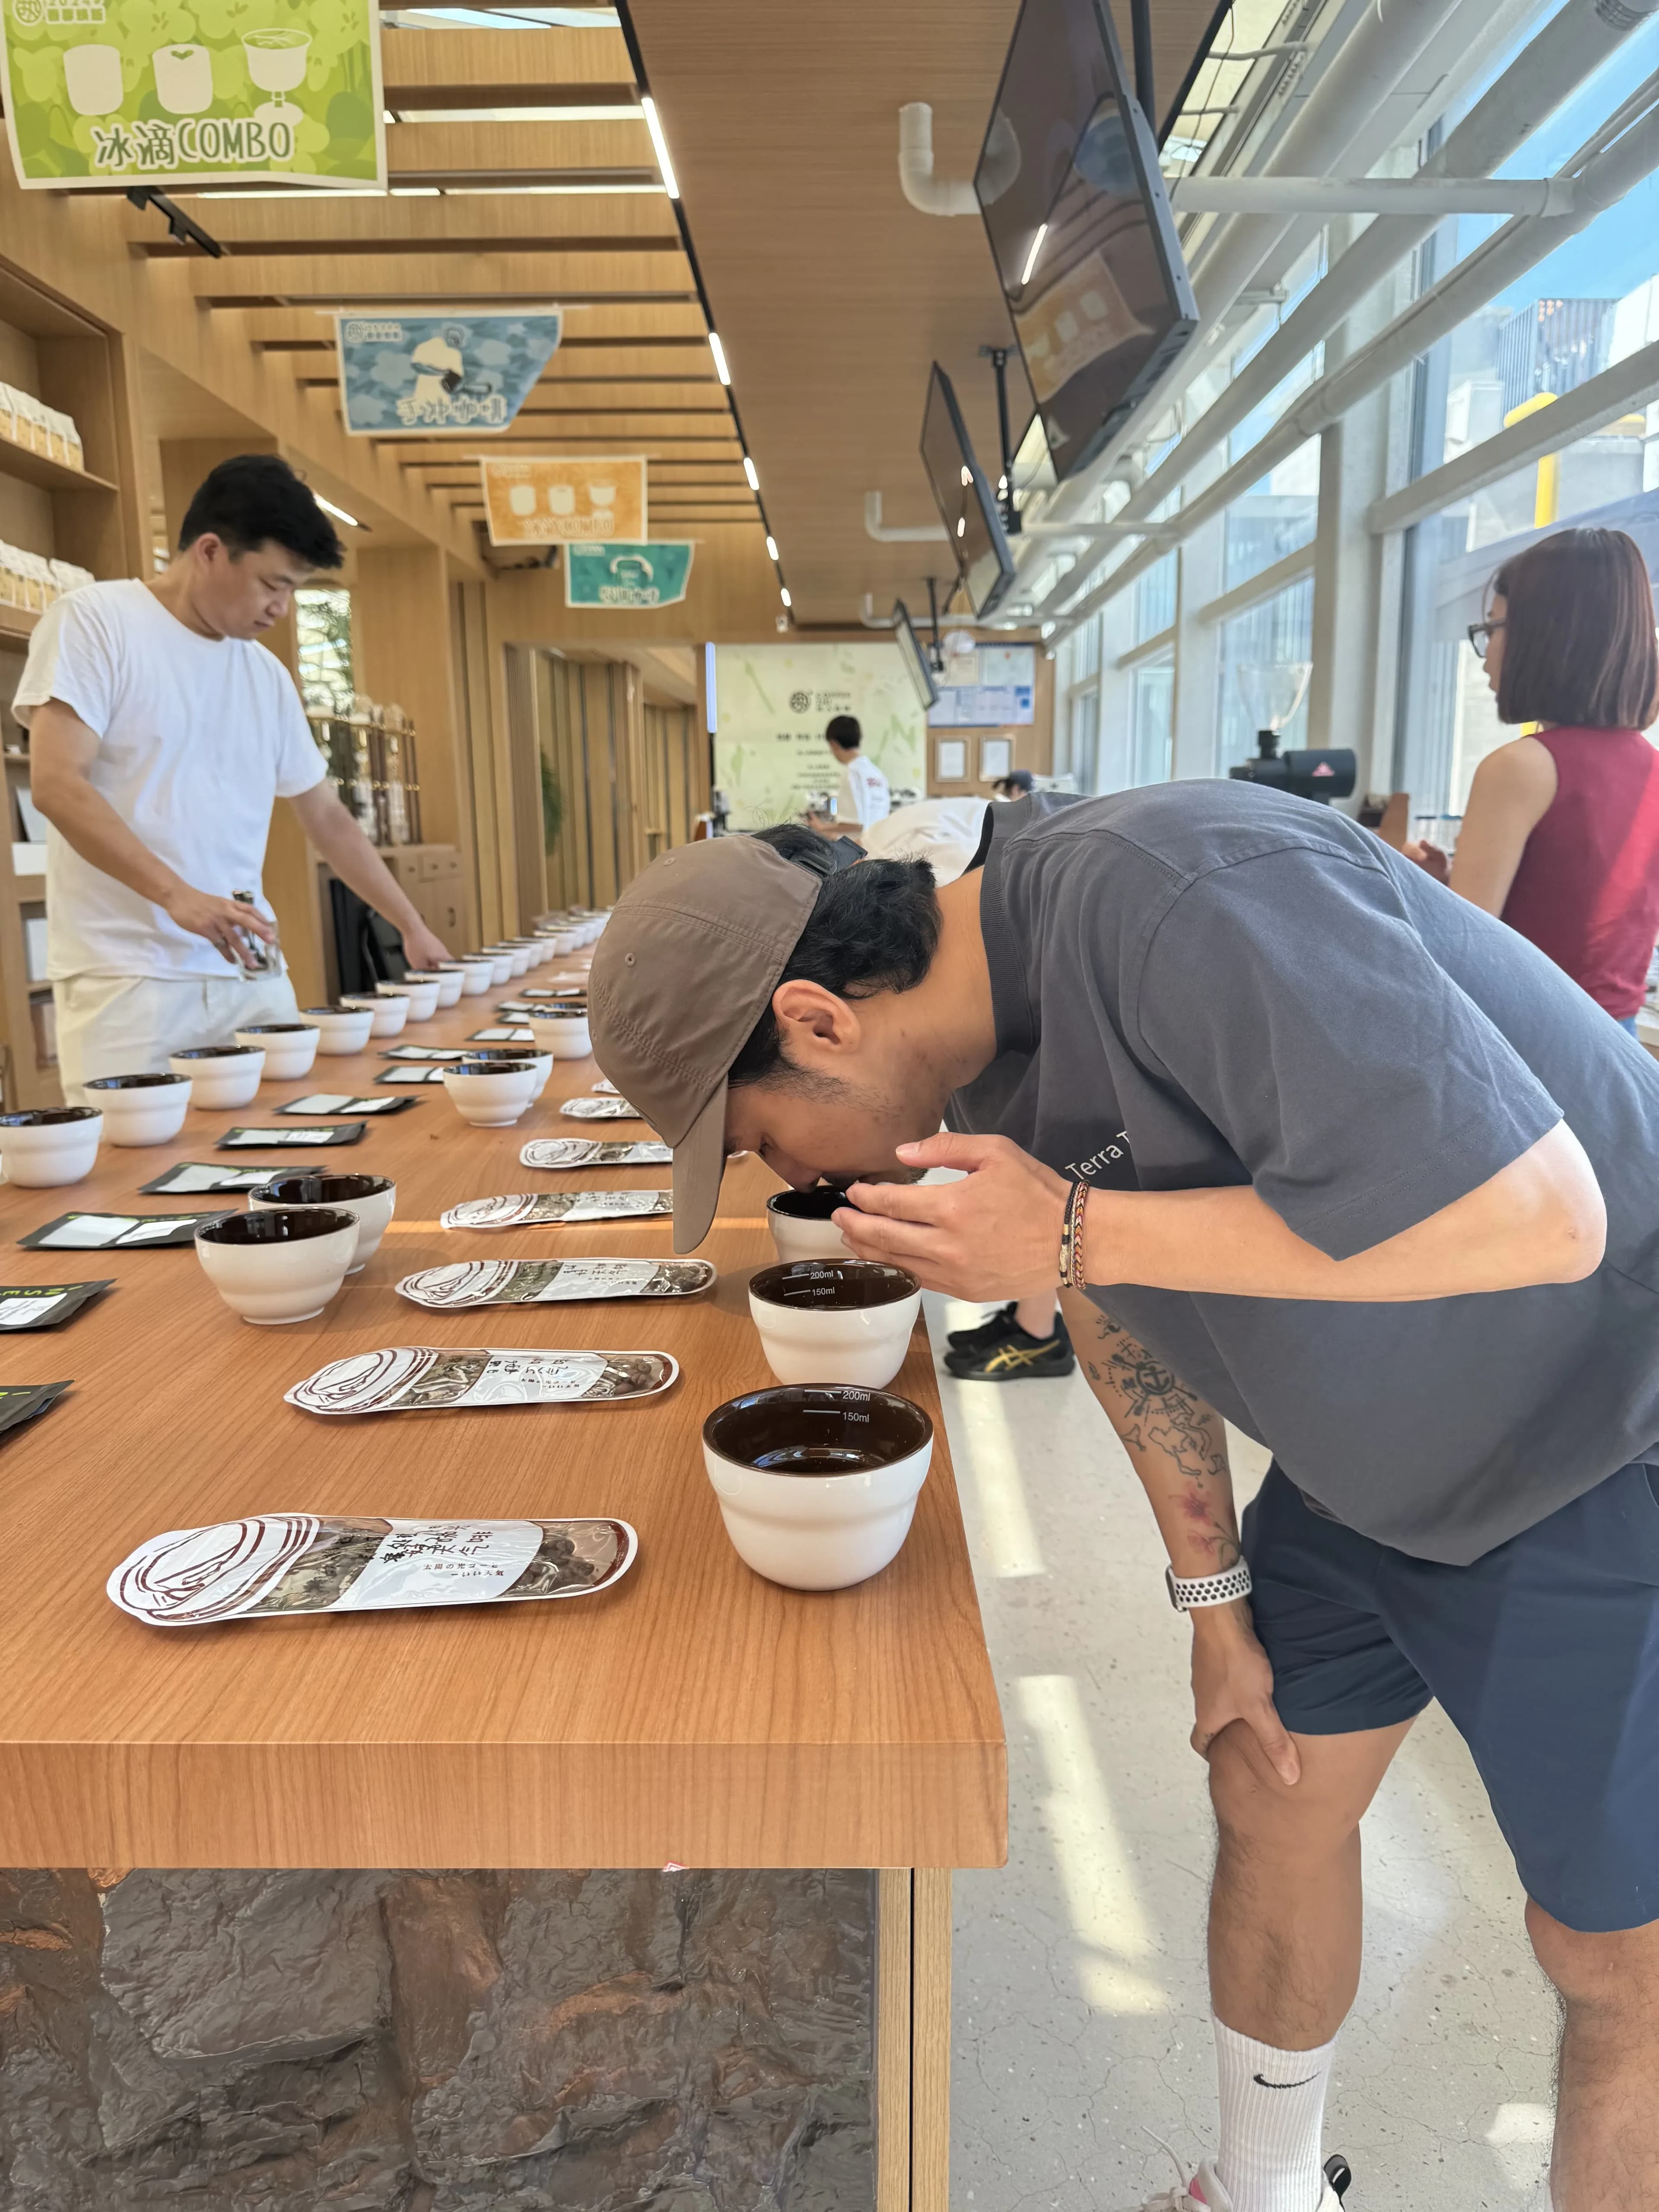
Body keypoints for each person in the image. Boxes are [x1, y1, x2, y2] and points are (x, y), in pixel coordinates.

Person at [590, 784, 1659, 2212]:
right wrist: (1212, 1596)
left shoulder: (1185, 895)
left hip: (1594, 1433)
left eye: (760, 1139)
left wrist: (1074, 1220)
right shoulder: (968, 1053)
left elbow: (1545, 1215)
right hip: (1367, 1467)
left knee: (1616, 1960)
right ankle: (1270, 2186)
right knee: (1266, 1781)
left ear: (820, 1018)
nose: (786, 1178)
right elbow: (1107, 1303)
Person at [17, 455, 451, 1098]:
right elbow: (58, 783)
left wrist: (411, 925)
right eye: (273, 584)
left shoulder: (264, 675)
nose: (281, 608)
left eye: (294, 591)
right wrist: (175, 895)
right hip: (132, 979)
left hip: (251, 975)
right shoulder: (95, 621)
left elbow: (327, 817)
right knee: (138, 1184)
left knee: (285, 1159)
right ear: (212, 552)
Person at [1404, 526, 1659, 1030]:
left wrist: (1416, 894)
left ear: (1543, 636)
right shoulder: (1650, 766)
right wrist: (1450, 881)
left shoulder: (1520, 768)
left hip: (1532, 1043)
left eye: (1493, 627)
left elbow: (1465, 954)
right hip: (1618, 1046)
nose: (1486, 651)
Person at [813, 713, 890, 833]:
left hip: (860, 847)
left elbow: (855, 823)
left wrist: (822, 827)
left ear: (834, 744)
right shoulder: (877, 773)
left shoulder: (851, 774)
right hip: (880, 840)